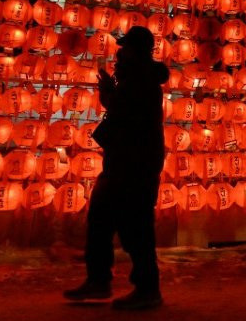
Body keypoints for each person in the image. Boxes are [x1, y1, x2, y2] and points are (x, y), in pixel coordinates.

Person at [63, 25, 169, 310]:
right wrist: (111, 92)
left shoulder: (141, 82)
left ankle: (147, 289)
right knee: (101, 221)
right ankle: (99, 281)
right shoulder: (135, 80)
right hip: (123, 162)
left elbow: (127, 118)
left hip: (135, 164)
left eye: (126, 49)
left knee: (136, 228)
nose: (120, 54)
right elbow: (122, 111)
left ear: (139, 52)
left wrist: (110, 93)